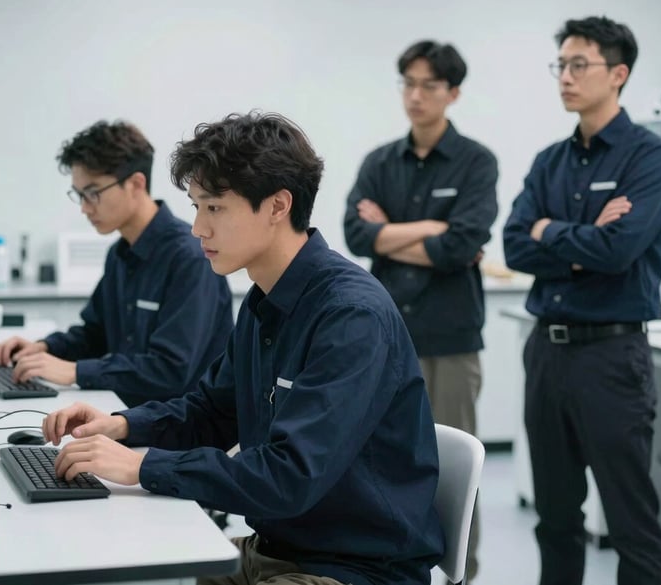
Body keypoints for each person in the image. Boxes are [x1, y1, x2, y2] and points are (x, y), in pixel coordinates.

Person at [42, 112, 445, 585]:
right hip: (277, 549)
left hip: (351, 569)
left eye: (213, 208)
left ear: (277, 206)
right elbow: (212, 411)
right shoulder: (263, 300)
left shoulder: (351, 317)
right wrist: (126, 426)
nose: (197, 228)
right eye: (195, 207)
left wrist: (144, 466)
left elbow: (288, 475)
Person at [503, 16, 661, 585]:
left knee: (631, 523)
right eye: (562, 65)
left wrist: (549, 231)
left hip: (611, 358)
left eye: (580, 65)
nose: (566, 78)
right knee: (555, 519)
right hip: (546, 354)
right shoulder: (550, 160)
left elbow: (619, 251)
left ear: (618, 74)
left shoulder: (647, 157)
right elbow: (512, 245)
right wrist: (581, 239)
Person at [343, 39, 498, 580]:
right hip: (385, 338)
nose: (415, 95)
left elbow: (461, 246)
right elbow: (356, 234)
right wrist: (431, 229)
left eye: (428, 85)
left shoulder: (476, 161)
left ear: (452, 93)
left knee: (456, 473)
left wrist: (390, 233)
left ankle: (462, 573)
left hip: (449, 337)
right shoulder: (380, 162)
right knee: (381, 465)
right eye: (407, 82)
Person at [0, 120, 233, 407]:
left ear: (135, 184)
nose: (84, 207)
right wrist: (43, 348)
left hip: (175, 430)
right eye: (79, 195)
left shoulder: (190, 258)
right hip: (126, 410)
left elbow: (170, 371)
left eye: (92, 193)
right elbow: (95, 333)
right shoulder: (120, 254)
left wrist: (74, 371)